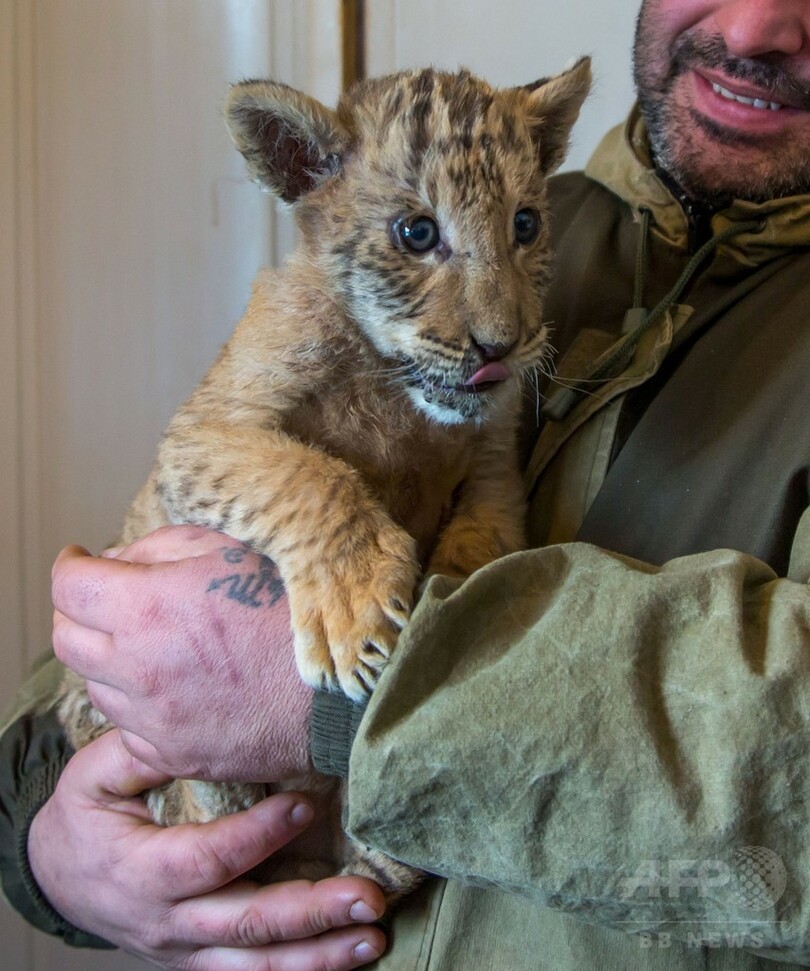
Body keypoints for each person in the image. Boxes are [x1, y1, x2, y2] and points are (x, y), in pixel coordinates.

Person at [4, 0, 810, 967]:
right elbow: (155, 601)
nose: (760, 23)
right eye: (422, 236)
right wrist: (46, 842)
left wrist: (366, 698)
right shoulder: (539, 228)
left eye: (520, 230)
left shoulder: (503, 275)